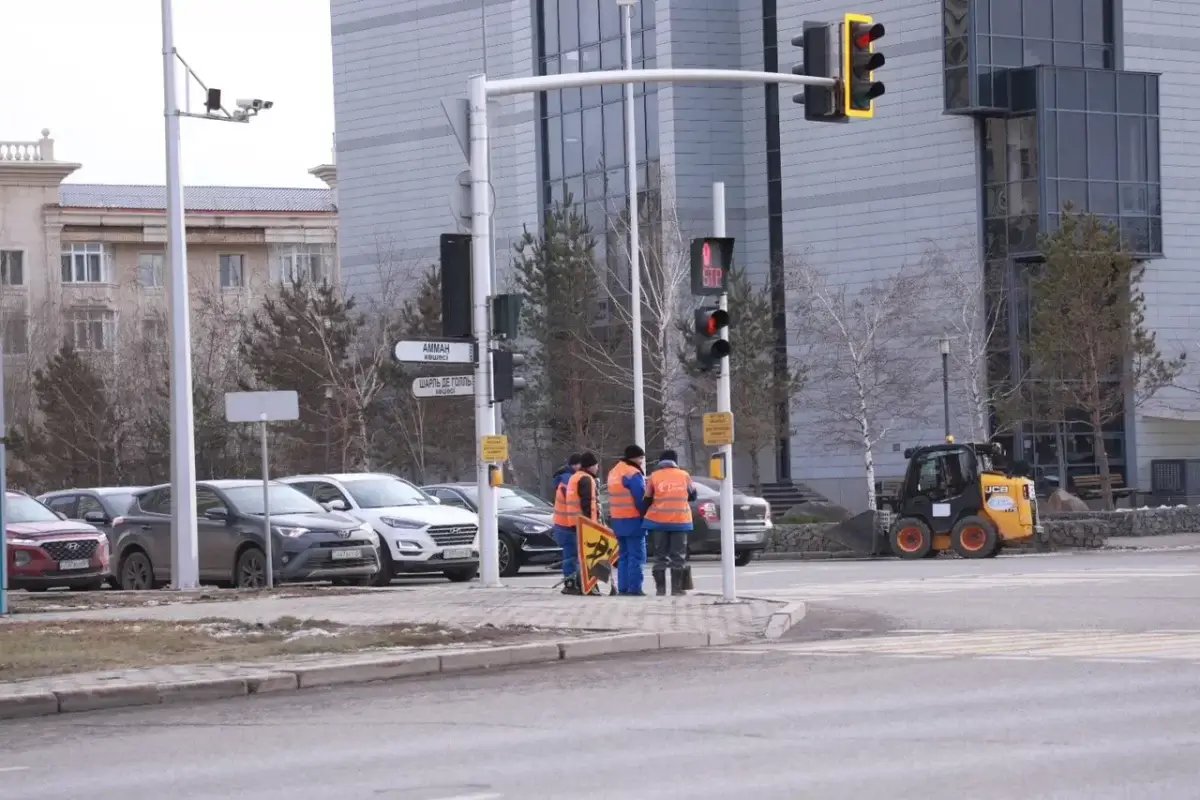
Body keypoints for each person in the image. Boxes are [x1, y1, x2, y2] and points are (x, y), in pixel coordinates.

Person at [642, 449, 698, 596]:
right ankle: (677, 589)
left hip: (659, 522)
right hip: (680, 520)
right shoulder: (684, 475)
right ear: (675, 461)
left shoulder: (654, 476)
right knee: (678, 556)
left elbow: (647, 499)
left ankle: (660, 590)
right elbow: (693, 495)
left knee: (660, 556)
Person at [607, 445, 648, 596]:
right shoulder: (633, 473)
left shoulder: (614, 471)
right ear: (634, 458)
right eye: (641, 458)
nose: (642, 462)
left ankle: (623, 588)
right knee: (636, 556)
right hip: (633, 518)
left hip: (618, 520)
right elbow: (640, 497)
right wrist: (646, 512)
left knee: (623, 556)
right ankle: (635, 588)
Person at [563, 452, 602, 595]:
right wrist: (592, 524)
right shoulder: (586, 479)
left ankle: (584, 585)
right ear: (591, 466)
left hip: (575, 521)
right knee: (590, 555)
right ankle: (590, 585)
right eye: (596, 465)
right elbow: (587, 503)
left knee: (582, 555)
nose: (598, 467)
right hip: (585, 522)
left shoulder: (575, 477)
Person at [550, 453, 583, 593]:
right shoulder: (569, 481)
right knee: (571, 556)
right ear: (576, 465)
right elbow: (573, 502)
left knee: (571, 555)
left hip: (563, 523)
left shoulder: (563, 479)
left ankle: (572, 583)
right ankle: (570, 584)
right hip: (568, 525)